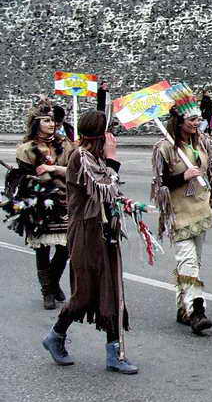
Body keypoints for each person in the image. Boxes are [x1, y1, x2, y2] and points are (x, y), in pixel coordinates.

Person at [41, 110, 138, 374]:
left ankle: (114, 353)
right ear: (99, 135)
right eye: (108, 131)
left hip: (104, 231)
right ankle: (56, 336)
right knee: (83, 294)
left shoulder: (95, 157)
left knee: (112, 291)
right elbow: (104, 185)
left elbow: (112, 193)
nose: (112, 136)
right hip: (86, 233)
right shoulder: (81, 157)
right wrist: (113, 159)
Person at [150, 95, 212, 336]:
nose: (197, 122)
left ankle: (183, 308)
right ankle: (197, 311)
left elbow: (209, 172)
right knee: (188, 262)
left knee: (193, 263)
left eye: (198, 118)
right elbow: (159, 184)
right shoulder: (165, 148)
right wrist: (183, 177)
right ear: (179, 121)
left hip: (199, 209)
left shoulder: (201, 142)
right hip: (179, 212)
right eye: (192, 119)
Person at [2, 101, 70, 309]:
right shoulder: (26, 149)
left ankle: (54, 281)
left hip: (65, 200)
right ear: (36, 123)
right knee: (42, 248)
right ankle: (47, 292)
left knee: (65, 248)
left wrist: (58, 170)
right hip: (40, 202)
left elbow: (73, 170)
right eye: (46, 120)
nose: (51, 124)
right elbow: (23, 180)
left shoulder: (66, 145)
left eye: (53, 120)